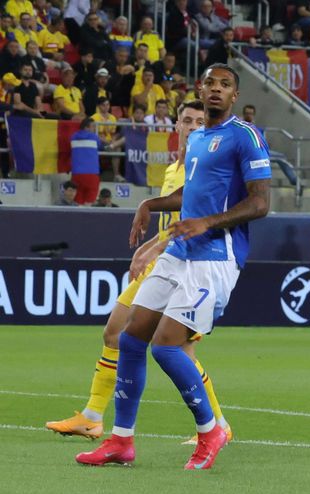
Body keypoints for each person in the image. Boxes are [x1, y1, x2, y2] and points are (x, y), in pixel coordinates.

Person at [76, 65, 271, 470]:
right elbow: (191, 193)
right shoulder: (198, 138)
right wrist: (150, 204)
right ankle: (121, 441)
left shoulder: (246, 136)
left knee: (166, 347)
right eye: (210, 83)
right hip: (179, 252)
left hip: (215, 258)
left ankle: (211, 431)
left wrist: (206, 223)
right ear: (200, 88)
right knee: (131, 338)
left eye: (225, 85)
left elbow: (260, 203)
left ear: (234, 96)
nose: (216, 89)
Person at [47, 102, 231, 445]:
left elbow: (194, 223)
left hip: (191, 267)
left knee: (182, 351)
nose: (192, 126)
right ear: (176, 125)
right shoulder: (174, 168)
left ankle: (218, 424)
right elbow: (171, 222)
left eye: (199, 121)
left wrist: (152, 249)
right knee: (114, 333)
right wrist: (150, 247)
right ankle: (92, 417)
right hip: (162, 263)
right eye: (187, 120)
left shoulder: (205, 168)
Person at [69, 117, 102, 205]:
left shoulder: (73, 137)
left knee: (77, 203)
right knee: (89, 204)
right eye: (93, 126)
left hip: (76, 174)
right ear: (86, 127)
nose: (94, 129)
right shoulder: (94, 137)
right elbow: (100, 145)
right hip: (92, 174)